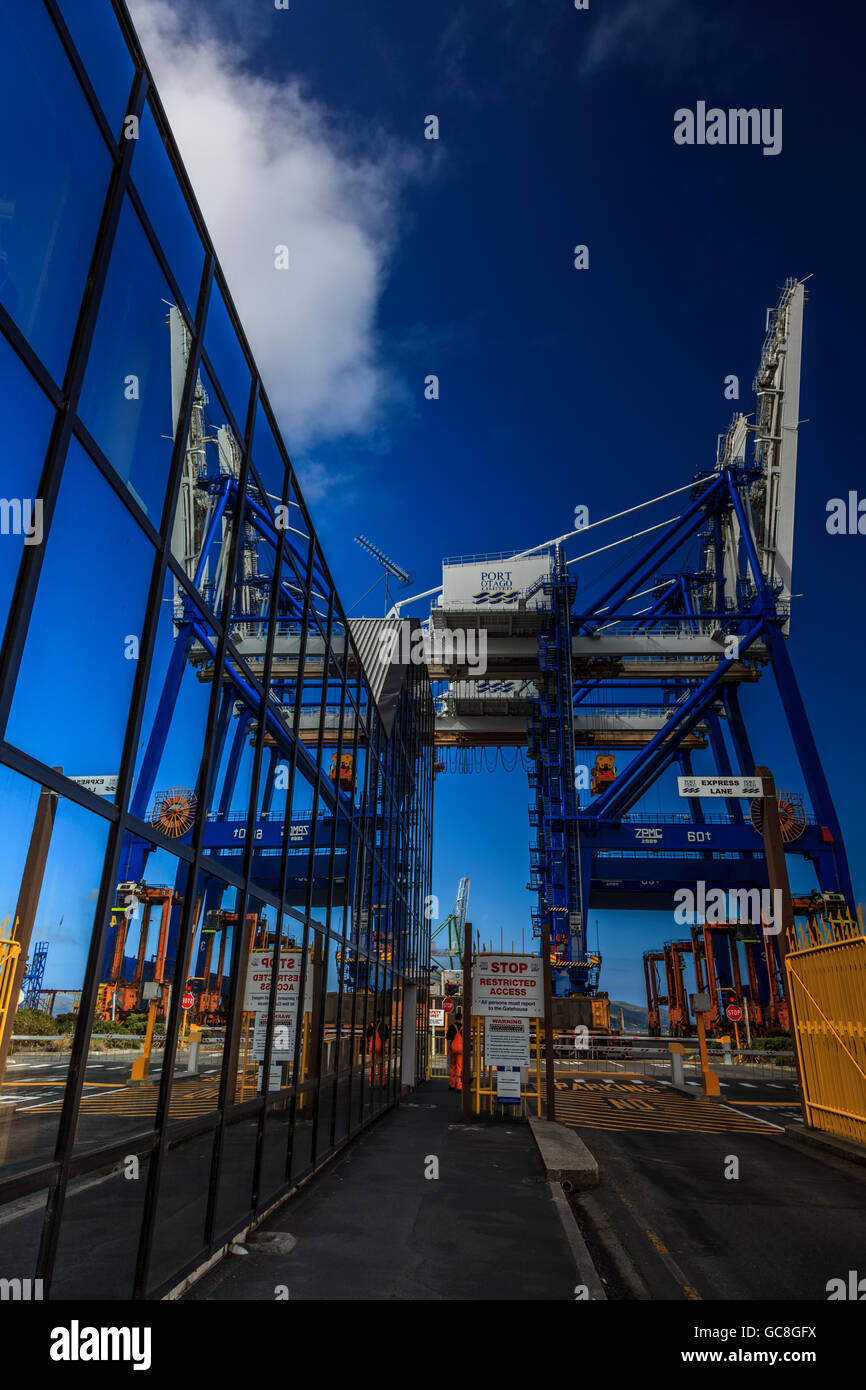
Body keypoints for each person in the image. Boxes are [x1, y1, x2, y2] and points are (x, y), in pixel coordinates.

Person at [366, 1013, 389, 1086]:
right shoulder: (383, 1025)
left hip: (372, 1048)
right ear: (380, 1017)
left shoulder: (371, 1025)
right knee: (381, 1066)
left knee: (372, 1066)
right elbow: (387, 1036)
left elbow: (368, 1035)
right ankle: (382, 1083)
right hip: (380, 1047)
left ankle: (371, 1083)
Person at [446, 1011, 463, 1091]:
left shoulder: (452, 1027)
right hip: (461, 1049)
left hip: (453, 1049)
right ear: (461, 1018)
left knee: (452, 1067)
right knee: (459, 1067)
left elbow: (447, 1037)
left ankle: (451, 1085)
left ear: (455, 1018)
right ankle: (459, 1086)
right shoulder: (463, 1027)